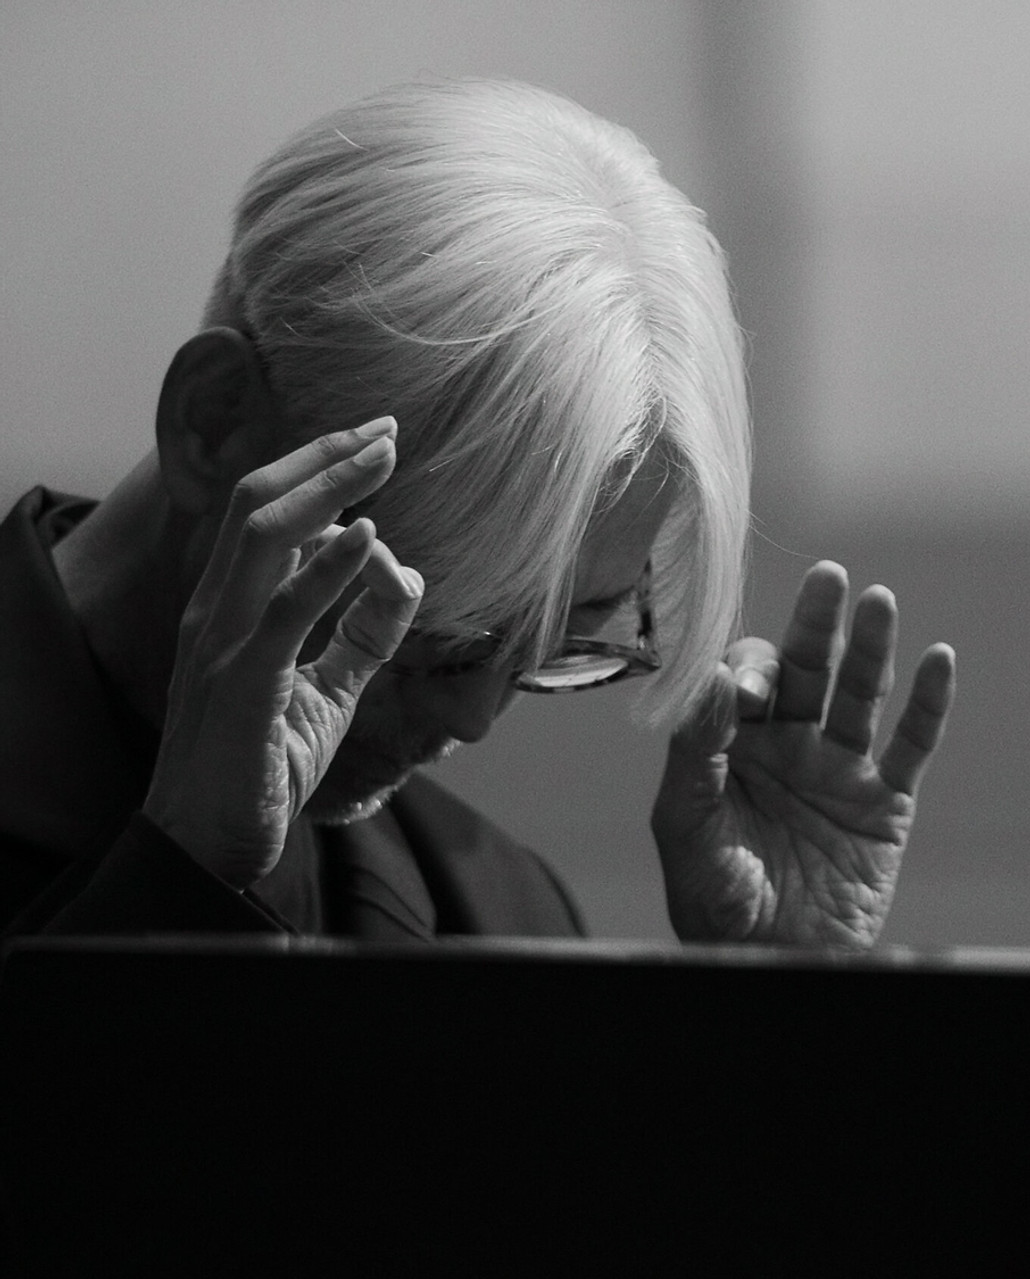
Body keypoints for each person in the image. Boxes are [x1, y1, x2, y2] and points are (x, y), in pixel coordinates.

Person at [0, 77, 955, 947]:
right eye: (436, 640)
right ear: (213, 425)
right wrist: (179, 885)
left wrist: (777, 1017)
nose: (475, 716)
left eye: (560, 647)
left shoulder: (488, 910)